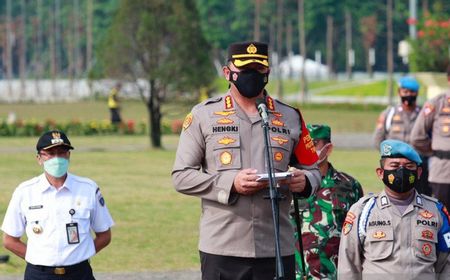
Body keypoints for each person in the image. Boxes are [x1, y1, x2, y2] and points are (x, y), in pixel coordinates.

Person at [172, 41, 321, 280]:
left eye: (258, 71)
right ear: (227, 72)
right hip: (223, 246)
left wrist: (304, 181)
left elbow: (313, 170)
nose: (251, 76)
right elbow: (181, 176)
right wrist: (231, 183)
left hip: (276, 247)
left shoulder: (290, 116)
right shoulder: (204, 115)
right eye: (244, 70)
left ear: (268, 73)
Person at [1, 130, 114, 280]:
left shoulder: (88, 189)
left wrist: (80, 254)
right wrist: (38, 259)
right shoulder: (25, 192)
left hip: (79, 273)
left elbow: (104, 235)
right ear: (39, 159)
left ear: (68, 156)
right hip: (39, 275)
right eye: (50, 153)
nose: (57, 158)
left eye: (61, 152)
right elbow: (9, 240)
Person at [338, 139, 450, 279]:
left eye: (409, 166)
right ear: (380, 172)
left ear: (419, 172)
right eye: (395, 165)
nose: (402, 171)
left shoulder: (436, 211)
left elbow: (446, 265)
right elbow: (348, 266)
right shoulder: (363, 211)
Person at [290, 124, 363, 280]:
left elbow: (358, 235)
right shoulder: (287, 183)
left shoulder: (349, 185)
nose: (308, 149)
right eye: (304, 144)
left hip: (333, 274)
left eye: (314, 144)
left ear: (328, 149)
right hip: (294, 273)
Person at [373, 76, 430, 195]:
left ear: (417, 93)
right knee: (395, 197)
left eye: (412, 92)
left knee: (422, 197)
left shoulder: (424, 114)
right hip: (395, 166)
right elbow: (378, 139)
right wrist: (391, 158)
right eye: (405, 91)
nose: (408, 94)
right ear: (399, 92)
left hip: (418, 165)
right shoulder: (389, 114)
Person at [410, 66, 450, 209]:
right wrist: (434, 151)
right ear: (448, 79)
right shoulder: (436, 104)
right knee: (443, 220)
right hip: (443, 173)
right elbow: (417, 137)